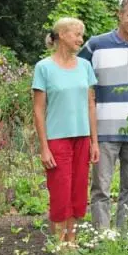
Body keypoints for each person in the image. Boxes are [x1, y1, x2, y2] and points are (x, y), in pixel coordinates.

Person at [78, 0, 128, 229]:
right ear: (120, 14)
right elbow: (79, 75)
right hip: (104, 129)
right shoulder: (96, 44)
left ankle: (124, 239)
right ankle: (102, 239)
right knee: (101, 188)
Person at [32, 17, 100, 242]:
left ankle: (71, 242)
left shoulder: (85, 66)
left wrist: (94, 142)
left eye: (82, 35)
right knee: (60, 192)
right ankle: (59, 245)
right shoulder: (44, 67)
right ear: (61, 35)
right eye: (76, 34)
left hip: (82, 139)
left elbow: (91, 104)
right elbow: (39, 110)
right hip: (57, 139)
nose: (81, 39)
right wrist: (44, 147)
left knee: (78, 193)